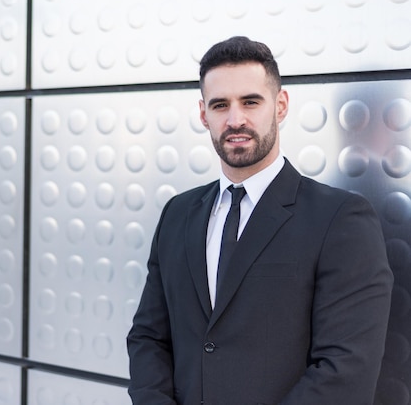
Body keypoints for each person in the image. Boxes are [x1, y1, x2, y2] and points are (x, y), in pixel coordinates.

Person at [127, 36, 393, 405]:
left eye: (250, 101)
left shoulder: (340, 219)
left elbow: (346, 369)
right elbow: (148, 337)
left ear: (280, 106)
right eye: (220, 105)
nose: (236, 119)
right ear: (204, 115)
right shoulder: (178, 215)